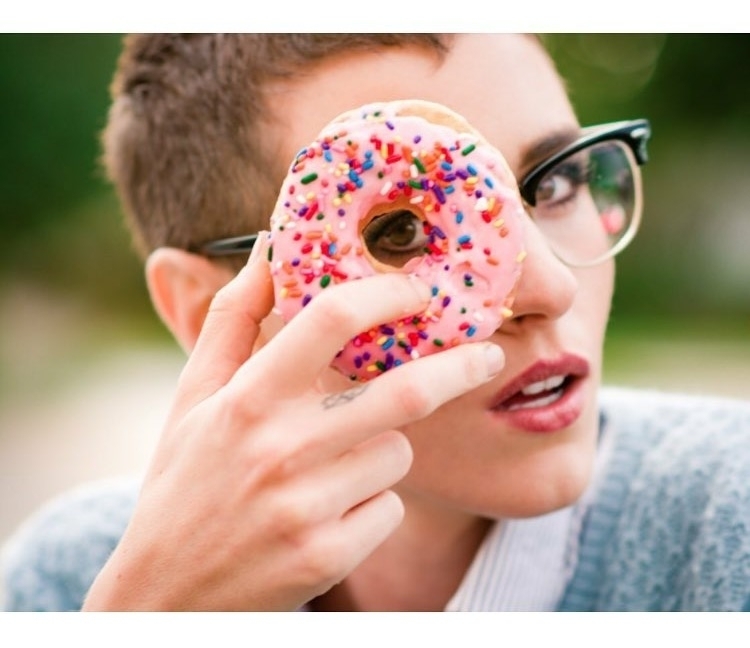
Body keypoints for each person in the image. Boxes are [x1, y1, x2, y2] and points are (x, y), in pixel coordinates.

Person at [3, 33, 750, 612]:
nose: (551, 288)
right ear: (209, 314)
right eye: (401, 234)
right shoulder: (67, 584)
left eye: (556, 181)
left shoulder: (728, 528)